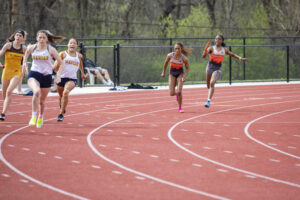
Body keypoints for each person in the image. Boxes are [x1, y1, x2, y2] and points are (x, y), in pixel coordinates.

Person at [22, 30, 65, 128]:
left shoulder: (51, 50)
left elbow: (61, 63)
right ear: (37, 38)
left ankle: (40, 116)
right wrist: (25, 66)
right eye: (40, 37)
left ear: (47, 39)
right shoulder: (32, 48)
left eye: (43, 38)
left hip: (46, 76)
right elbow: (25, 57)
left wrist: (58, 75)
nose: (41, 40)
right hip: (34, 73)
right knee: (36, 92)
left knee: (42, 101)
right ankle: (33, 116)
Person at [203, 35, 247, 108]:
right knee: (208, 85)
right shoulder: (211, 48)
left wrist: (240, 58)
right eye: (216, 39)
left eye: (219, 39)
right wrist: (205, 52)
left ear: (222, 41)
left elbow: (232, 55)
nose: (217, 40)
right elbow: (204, 56)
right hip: (209, 68)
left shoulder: (224, 50)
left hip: (217, 69)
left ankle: (208, 101)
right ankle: (210, 91)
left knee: (212, 83)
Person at [53, 38, 85, 121]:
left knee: (66, 92)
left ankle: (61, 114)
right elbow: (55, 66)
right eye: (70, 43)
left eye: (74, 43)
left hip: (72, 78)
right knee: (61, 96)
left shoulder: (79, 55)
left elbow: (80, 62)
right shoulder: (62, 54)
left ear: (76, 46)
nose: (72, 44)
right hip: (61, 78)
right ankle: (62, 106)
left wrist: (82, 72)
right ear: (67, 45)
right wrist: (56, 68)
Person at [0, 29, 27, 120]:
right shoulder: (8, 46)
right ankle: (6, 107)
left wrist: (25, 68)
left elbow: (26, 60)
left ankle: (3, 113)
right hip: (6, 71)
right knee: (4, 94)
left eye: (20, 36)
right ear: (14, 36)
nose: (18, 37)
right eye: (17, 35)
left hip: (16, 72)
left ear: (23, 38)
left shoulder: (24, 48)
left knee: (9, 91)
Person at [161, 42, 191, 113]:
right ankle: (177, 94)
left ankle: (180, 107)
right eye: (175, 48)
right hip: (172, 74)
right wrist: (163, 72)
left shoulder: (184, 58)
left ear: (181, 49)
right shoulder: (170, 55)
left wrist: (184, 77)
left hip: (180, 73)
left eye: (178, 48)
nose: (177, 50)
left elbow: (187, 69)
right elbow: (165, 63)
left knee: (179, 91)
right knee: (171, 93)